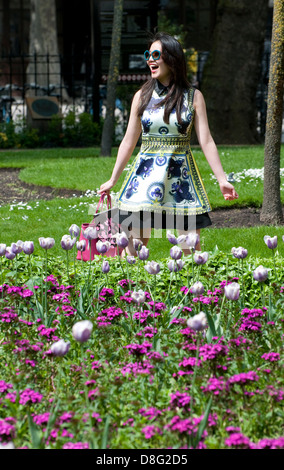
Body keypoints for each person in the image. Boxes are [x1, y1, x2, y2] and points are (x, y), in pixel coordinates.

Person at [98, 32, 238, 256]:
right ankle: (129, 290)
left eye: (156, 55)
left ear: (172, 59)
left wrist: (222, 179)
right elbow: (128, 140)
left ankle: (195, 291)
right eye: (148, 55)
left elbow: (207, 140)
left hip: (180, 180)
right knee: (132, 249)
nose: (150, 60)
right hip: (143, 180)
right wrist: (113, 178)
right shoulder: (141, 96)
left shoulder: (193, 97)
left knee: (189, 248)